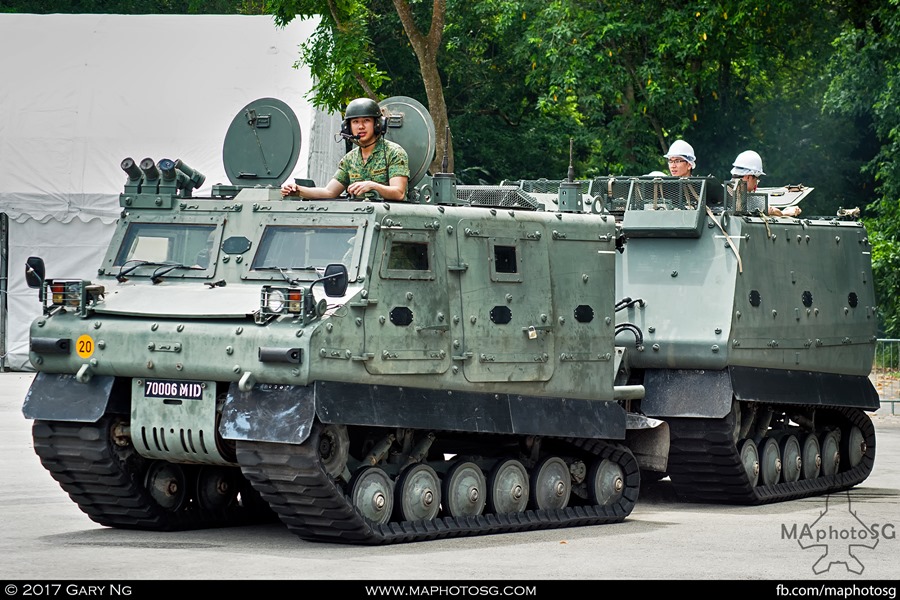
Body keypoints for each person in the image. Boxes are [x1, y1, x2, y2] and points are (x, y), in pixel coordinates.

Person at [281, 98, 410, 201]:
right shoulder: (350, 159)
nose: (361, 126)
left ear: (377, 125)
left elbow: (398, 193)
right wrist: (298, 190)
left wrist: (372, 185)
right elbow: (329, 192)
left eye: (366, 121)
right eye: (355, 122)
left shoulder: (394, 153)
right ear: (347, 128)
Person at [730, 150, 801, 217]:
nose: (756, 183)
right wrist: (785, 213)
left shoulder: (724, 191)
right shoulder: (749, 199)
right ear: (748, 177)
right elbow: (770, 210)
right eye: (757, 178)